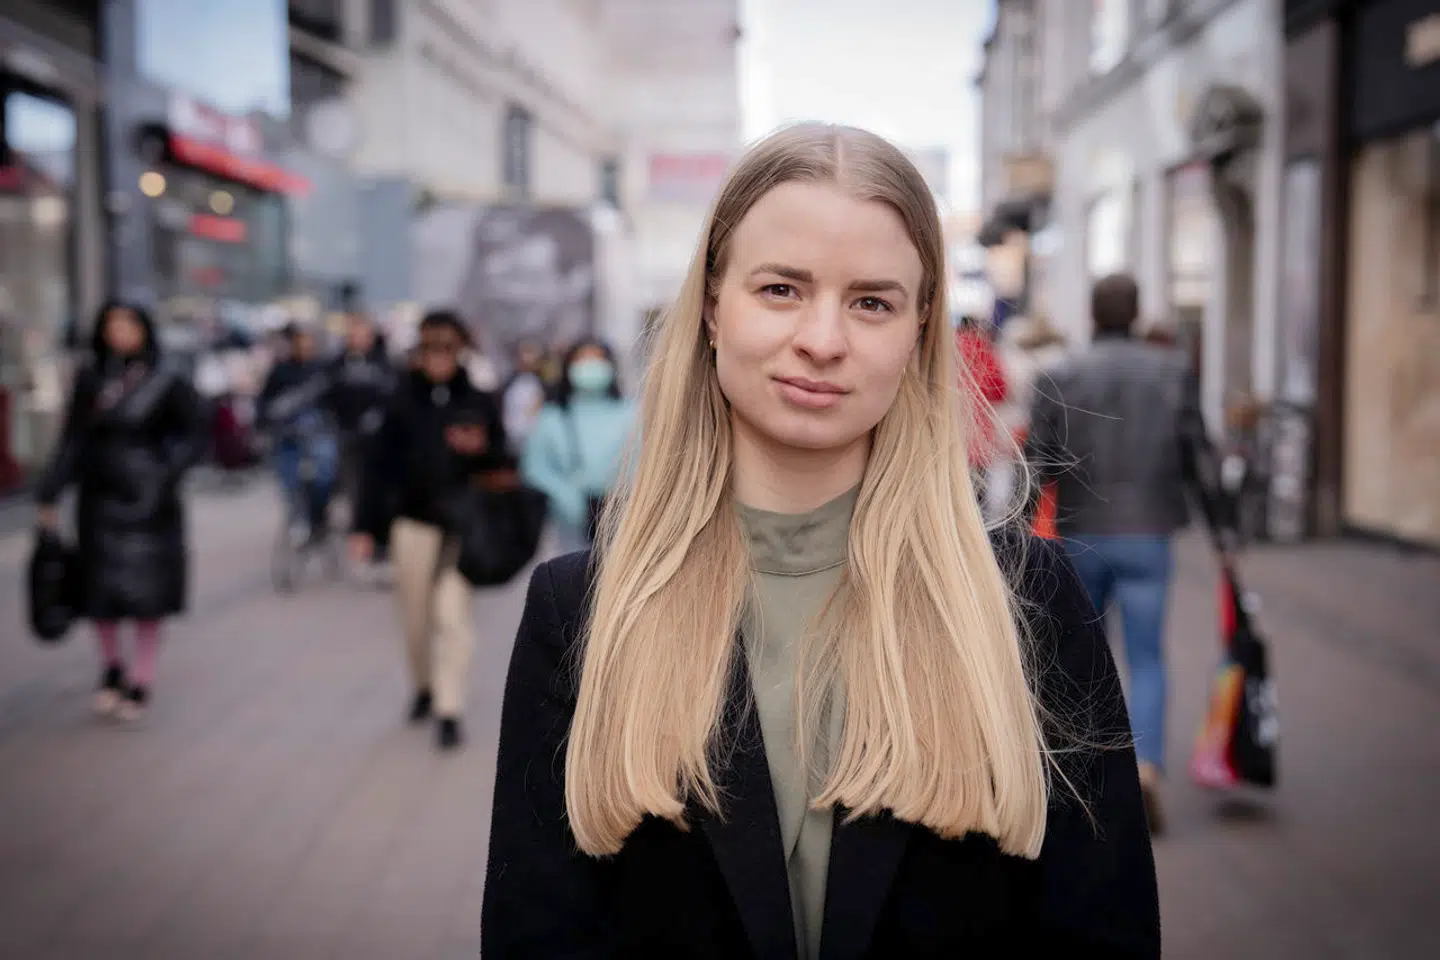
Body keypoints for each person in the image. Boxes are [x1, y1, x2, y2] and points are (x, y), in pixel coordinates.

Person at [483, 125, 1160, 958]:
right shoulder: (580, 611)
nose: (824, 340)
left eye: (871, 301)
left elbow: (1103, 930)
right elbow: (536, 935)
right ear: (710, 304)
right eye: (780, 290)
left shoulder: (1029, 603)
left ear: (918, 332)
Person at [1025, 273, 1232, 836]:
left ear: (1093, 314)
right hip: (1148, 535)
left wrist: (1017, 535)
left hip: (1081, 534)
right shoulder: (1172, 372)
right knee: (1147, 658)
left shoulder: (1060, 375)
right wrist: (1223, 536)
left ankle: (1085, 775)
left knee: (1081, 655)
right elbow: (1200, 458)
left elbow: (1036, 465)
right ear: (1136, 313)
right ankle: (1143, 769)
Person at [36, 301, 206, 723]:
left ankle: (141, 677)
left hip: (149, 502)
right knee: (99, 592)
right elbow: (72, 438)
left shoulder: (166, 380)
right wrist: (51, 491)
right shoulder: (91, 379)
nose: (121, 331)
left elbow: (195, 433)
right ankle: (111, 667)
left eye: (129, 323)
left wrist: (164, 475)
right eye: (113, 323)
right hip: (99, 498)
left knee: (147, 595)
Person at [351, 310, 509, 751]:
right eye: (430, 349)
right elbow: (375, 468)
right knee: (415, 618)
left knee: (454, 618)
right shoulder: (399, 401)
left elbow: (503, 459)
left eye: (447, 348)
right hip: (413, 525)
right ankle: (423, 685)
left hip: (463, 528)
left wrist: (482, 451)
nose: (438, 358)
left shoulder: (478, 400)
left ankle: (449, 706)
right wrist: (364, 527)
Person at [519, 337, 635, 551]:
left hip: (625, 522)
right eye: (583, 360)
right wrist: (566, 497)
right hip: (569, 529)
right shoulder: (551, 417)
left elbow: (646, 462)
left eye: (597, 359)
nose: (590, 367)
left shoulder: (633, 413)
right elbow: (534, 468)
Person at [257, 322, 339, 544]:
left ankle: (318, 517)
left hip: (318, 435)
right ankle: (298, 518)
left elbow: (335, 403)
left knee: (324, 475)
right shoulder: (280, 371)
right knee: (289, 480)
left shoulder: (323, 371)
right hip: (288, 436)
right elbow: (263, 404)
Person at [327, 311, 395, 532]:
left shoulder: (384, 364)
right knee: (352, 484)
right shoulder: (338, 364)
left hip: (378, 439)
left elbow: (392, 395)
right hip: (347, 434)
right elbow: (326, 392)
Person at [500, 339, 548, 454]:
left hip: (538, 444)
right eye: (525, 353)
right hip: (511, 443)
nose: (527, 358)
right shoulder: (508, 385)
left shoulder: (545, 386)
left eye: (531, 353)